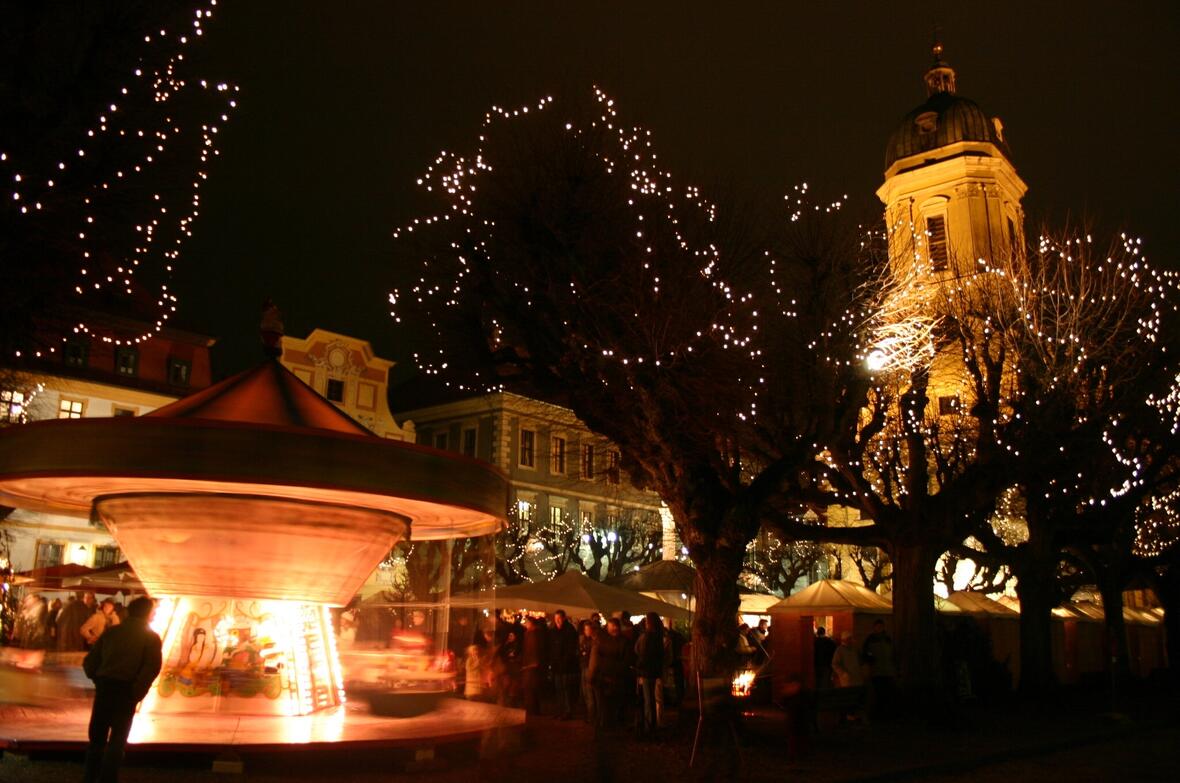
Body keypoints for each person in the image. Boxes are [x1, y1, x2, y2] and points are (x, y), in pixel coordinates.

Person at [82, 596, 162, 783]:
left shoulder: (112, 633)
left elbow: (90, 662)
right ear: (148, 614)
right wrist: (138, 691)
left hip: (105, 688)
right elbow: (152, 667)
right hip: (127, 690)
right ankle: (108, 779)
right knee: (117, 741)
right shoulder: (150, 638)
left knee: (97, 740)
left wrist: (98, 679)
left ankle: (89, 777)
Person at [589, 618, 628, 728]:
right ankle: (604, 724)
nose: (614, 629)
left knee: (611, 704)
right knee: (603, 704)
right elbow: (595, 659)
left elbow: (625, 661)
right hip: (602, 677)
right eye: (612, 627)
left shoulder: (622, 641)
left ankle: (607, 724)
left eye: (615, 627)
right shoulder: (601, 639)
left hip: (615, 678)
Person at [633, 612, 666, 736]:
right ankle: (652, 725)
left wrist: (639, 667)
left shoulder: (647, 636)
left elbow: (642, 654)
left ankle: (649, 726)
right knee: (651, 699)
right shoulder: (658, 636)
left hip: (646, 672)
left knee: (648, 700)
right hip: (654, 671)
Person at [862, 619, 897, 719]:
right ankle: (879, 713)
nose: (879, 628)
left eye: (881, 626)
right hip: (876, 671)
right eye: (878, 627)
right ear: (874, 628)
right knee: (878, 693)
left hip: (887, 670)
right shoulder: (871, 639)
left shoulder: (887, 639)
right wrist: (871, 658)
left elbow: (893, 653)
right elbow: (865, 653)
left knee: (886, 693)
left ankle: (885, 713)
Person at [549, 610, 580, 719]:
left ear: (564, 618)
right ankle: (560, 710)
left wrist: (565, 661)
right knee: (559, 689)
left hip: (567, 666)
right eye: (556, 619)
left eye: (559, 619)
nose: (557, 621)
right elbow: (552, 648)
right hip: (557, 666)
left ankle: (568, 711)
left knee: (566, 689)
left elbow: (570, 650)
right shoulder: (553, 631)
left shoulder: (570, 631)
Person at [520, 616, 547, 715]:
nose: (525, 624)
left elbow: (533, 650)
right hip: (531, 665)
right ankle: (533, 709)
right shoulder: (531, 634)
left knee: (530, 688)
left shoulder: (533, 634)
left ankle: (532, 710)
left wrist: (530, 663)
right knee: (531, 689)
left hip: (531, 666)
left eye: (527, 622)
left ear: (531, 623)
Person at [577, 620, 597, 723]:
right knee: (585, 693)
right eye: (585, 629)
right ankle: (588, 714)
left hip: (589, 668)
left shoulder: (594, 641)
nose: (586, 631)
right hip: (584, 667)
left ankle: (591, 716)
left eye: (588, 629)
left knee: (589, 693)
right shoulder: (584, 640)